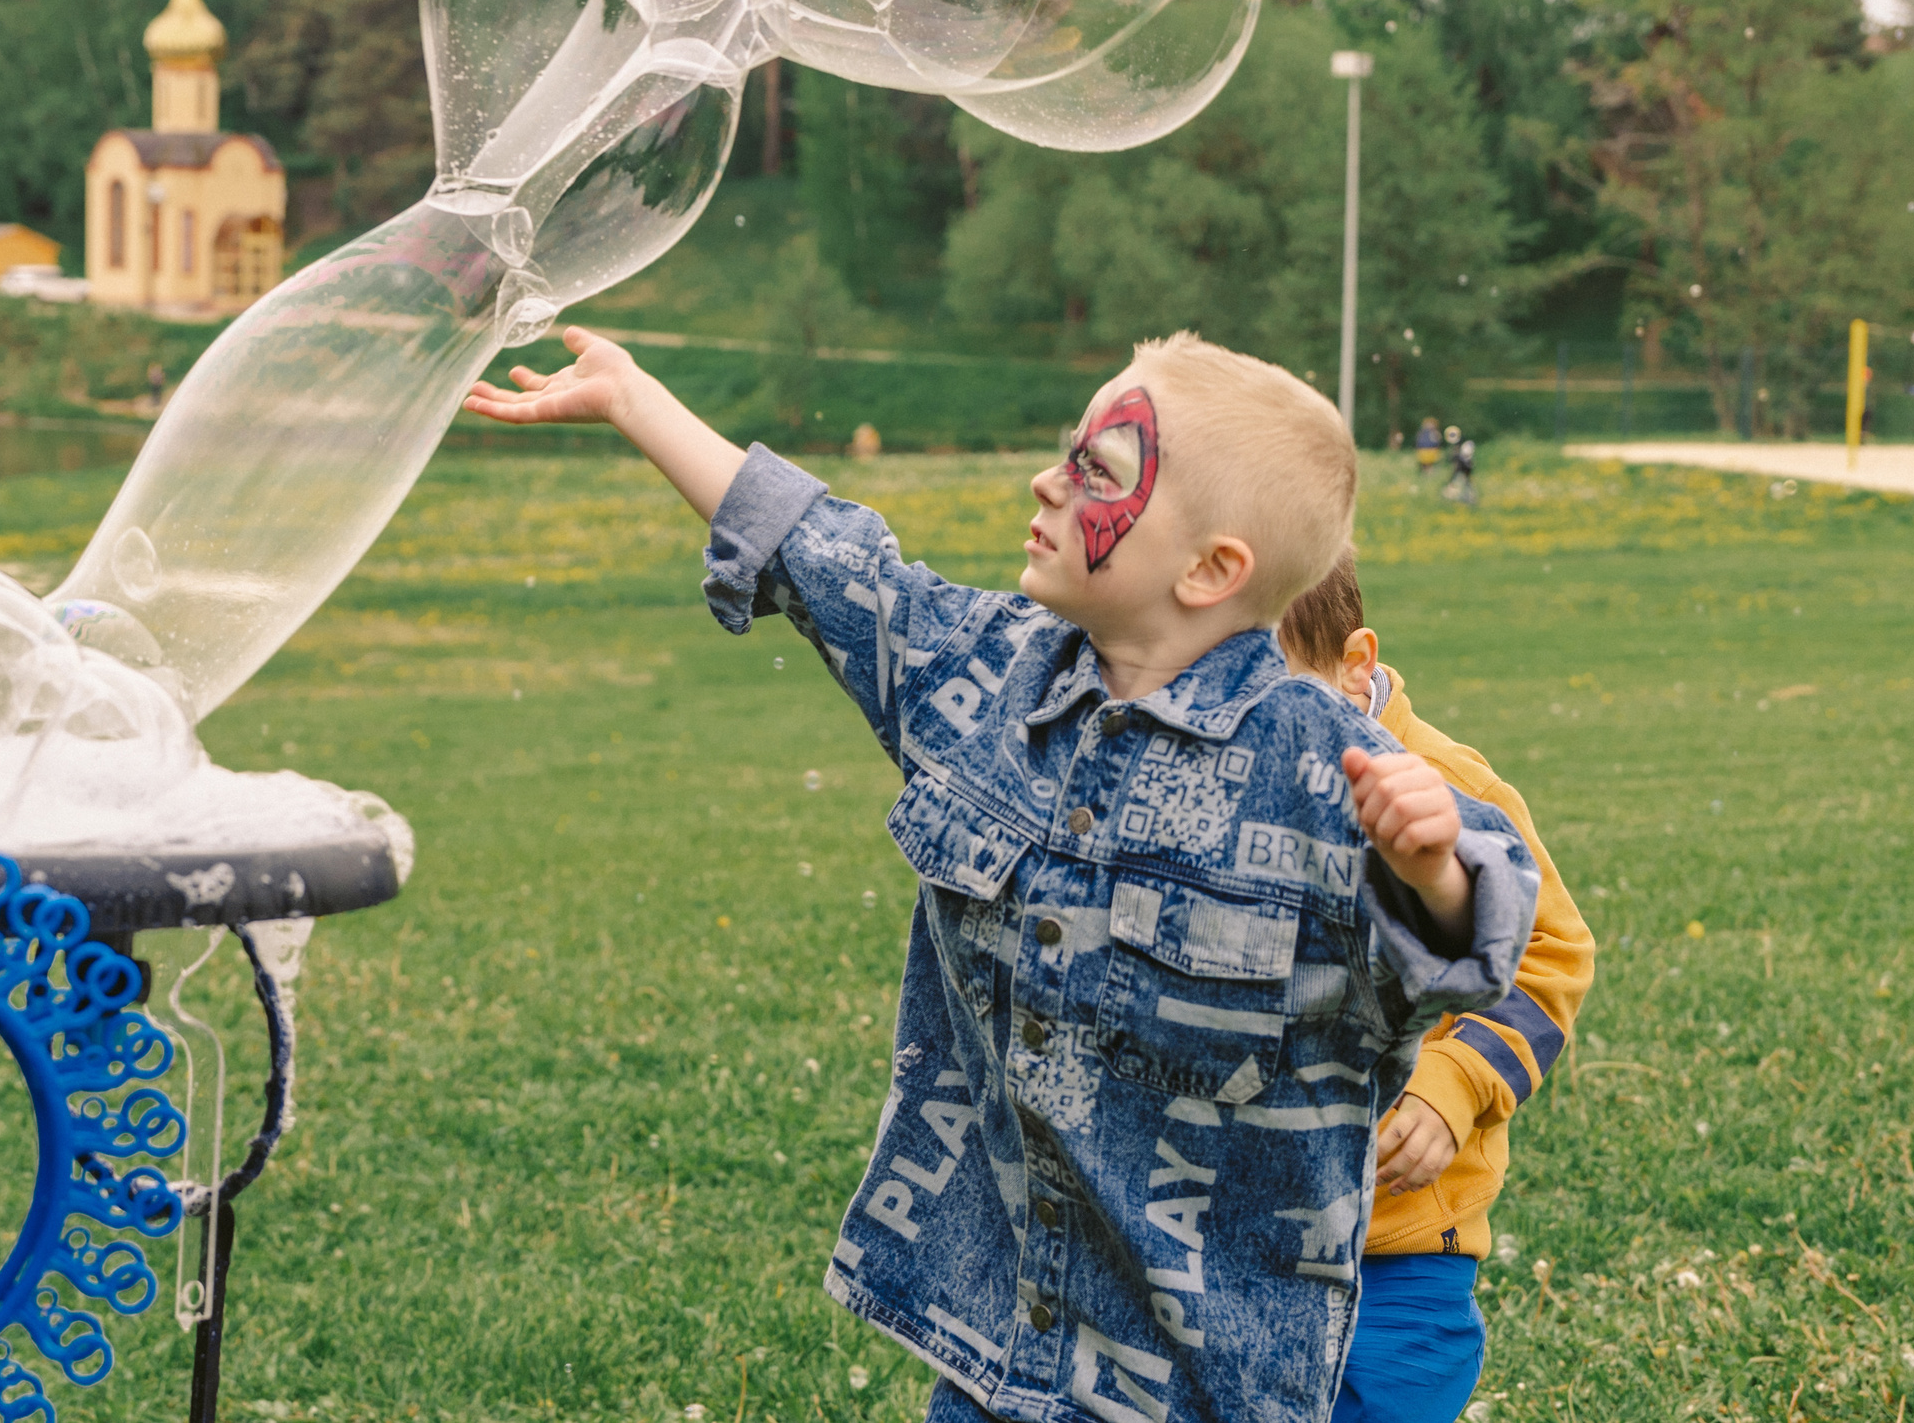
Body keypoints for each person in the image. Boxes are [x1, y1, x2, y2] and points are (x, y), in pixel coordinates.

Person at [470, 328, 1540, 1423]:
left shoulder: (1321, 764)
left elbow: (1480, 944)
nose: (1047, 479)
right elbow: (833, 564)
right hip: (998, 1346)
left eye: (1098, 471)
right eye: (1065, 449)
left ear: (1211, 568)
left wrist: (1433, 873)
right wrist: (634, 398)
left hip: (1208, 1384)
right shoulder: (983, 672)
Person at [1278, 554, 1594, 1423]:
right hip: (1241, 1242)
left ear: (1355, 664)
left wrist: (1455, 1084)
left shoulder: (1452, 788)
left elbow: (1552, 957)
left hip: (1403, 1238)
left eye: (1276, 693)